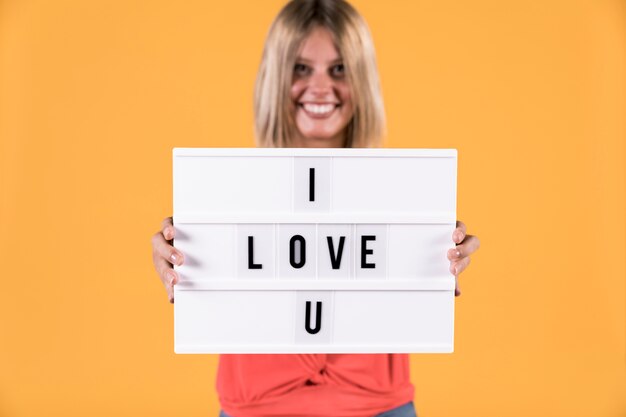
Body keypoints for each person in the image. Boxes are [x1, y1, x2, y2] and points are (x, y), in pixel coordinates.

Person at [151, 1, 480, 416]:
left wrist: (440, 262)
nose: (321, 87)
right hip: (256, 406)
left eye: (339, 69)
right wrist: (175, 251)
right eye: (302, 68)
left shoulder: (402, 194)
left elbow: (409, 288)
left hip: (378, 405)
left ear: (362, 78)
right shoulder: (229, 192)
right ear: (277, 77)